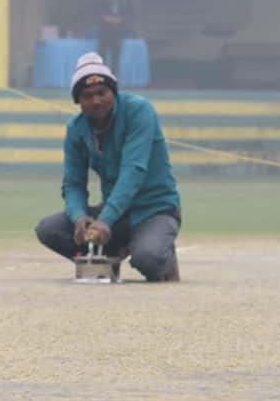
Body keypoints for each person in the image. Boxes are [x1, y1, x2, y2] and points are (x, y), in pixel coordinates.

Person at [35, 52, 181, 282]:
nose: (96, 101)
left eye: (102, 93)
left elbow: (133, 172)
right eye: (87, 95)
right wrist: (79, 217)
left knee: (148, 259)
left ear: (114, 91)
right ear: (78, 101)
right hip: (116, 214)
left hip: (155, 209)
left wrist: (105, 219)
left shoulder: (138, 111)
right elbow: (73, 183)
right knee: (48, 229)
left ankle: (163, 254)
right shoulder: (76, 128)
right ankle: (107, 260)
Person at [98, 0, 136, 77]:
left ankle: (113, 78)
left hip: (118, 30)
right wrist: (106, 18)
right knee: (102, 54)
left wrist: (121, 19)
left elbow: (130, 12)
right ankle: (102, 76)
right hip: (105, 30)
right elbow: (99, 9)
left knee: (116, 56)